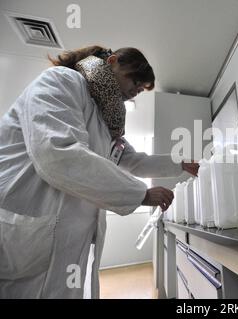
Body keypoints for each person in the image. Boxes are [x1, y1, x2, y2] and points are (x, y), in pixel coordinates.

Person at [0, 45, 198, 298]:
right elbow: (59, 154)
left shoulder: (106, 121)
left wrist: (180, 164)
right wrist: (141, 194)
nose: (135, 92)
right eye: (135, 82)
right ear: (113, 62)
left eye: (139, 91)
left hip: (65, 233)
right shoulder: (61, 81)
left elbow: (131, 159)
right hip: (28, 222)